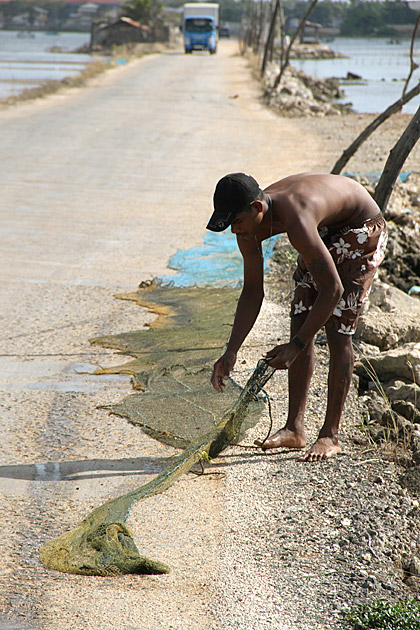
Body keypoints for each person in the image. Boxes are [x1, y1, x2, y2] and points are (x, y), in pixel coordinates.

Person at [206, 172, 388, 462]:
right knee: (301, 318)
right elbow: (253, 292)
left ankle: (330, 435)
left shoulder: (296, 218)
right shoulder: (247, 229)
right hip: (325, 228)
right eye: (229, 225)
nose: (234, 231)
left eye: (236, 222)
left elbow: (333, 290)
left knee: (338, 330)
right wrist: (231, 352)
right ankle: (295, 429)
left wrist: (298, 345)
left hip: (360, 228)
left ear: (257, 209)